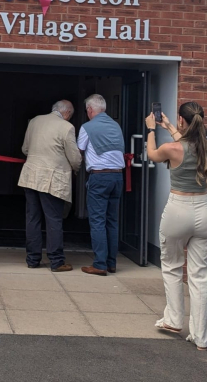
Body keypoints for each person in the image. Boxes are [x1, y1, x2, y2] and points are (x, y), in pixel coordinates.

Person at [145, 102, 207, 350]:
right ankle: (201, 337)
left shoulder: (171, 148)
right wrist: (168, 125)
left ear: (182, 121)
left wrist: (152, 130)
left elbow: (153, 155)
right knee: (201, 276)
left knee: (172, 266)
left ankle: (174, 319)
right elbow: (192, 147)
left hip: (178, 208)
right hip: (205, 210)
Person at [18, 100, 81, 272]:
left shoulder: (35, 121)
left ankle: (32, 260)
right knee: (53, 220)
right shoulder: (66, 127)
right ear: (67, 113)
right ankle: (57, 261)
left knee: (32, 219)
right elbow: (74, 158)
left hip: (30, 176)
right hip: (52, 180)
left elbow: (25, 149)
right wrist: (77, 168)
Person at [77, 94, 125, 276]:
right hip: (118, 177)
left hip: (99, 178)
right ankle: (111, 263)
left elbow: (78, 150)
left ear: (90, 110)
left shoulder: (87, 127)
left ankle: (99, 264)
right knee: (112, 221)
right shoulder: (116, 126)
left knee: (97, 221)